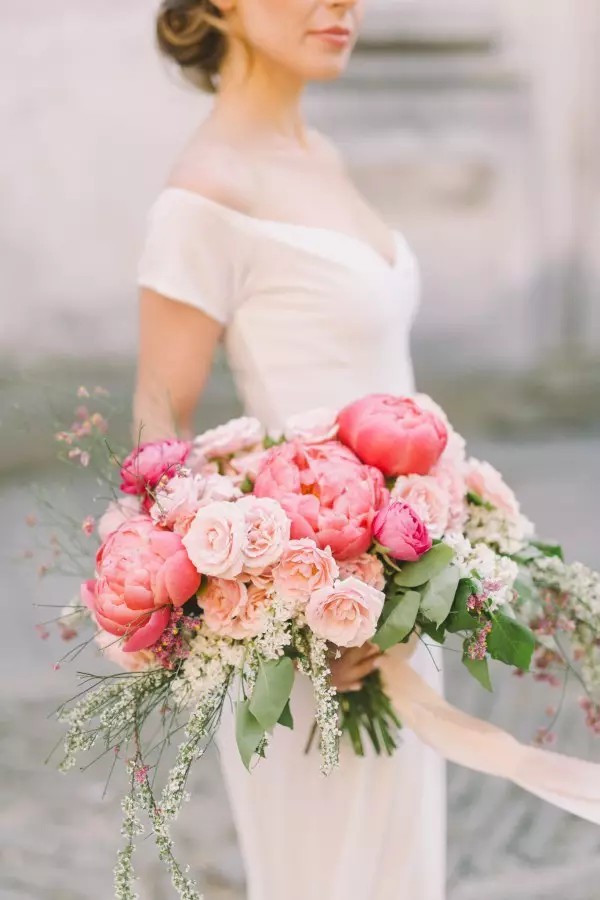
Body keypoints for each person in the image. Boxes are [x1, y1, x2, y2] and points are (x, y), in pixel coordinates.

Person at [135, 1, 445, 897]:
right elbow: (160, 423)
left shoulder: (324, 157)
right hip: (315, 630)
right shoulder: (206, 189)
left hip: (401, 583)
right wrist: (279, 615)